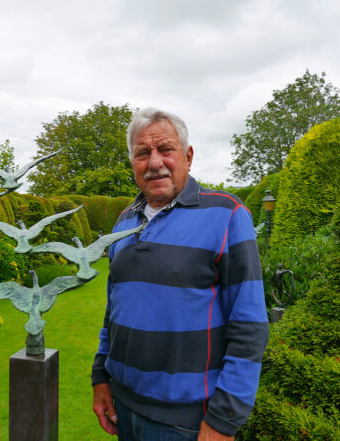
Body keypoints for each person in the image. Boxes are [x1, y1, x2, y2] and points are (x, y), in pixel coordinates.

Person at [91, 108, 269, 440]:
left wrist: (224, 420)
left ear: (187, 156)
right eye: (142, 153)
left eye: (165, 149)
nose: (154, 161)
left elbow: (250, 327)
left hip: (187, 422)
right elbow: (113, 310)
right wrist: (101, 376)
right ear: (133, 163)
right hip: (125, 408)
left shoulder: (227, 215)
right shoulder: (124, 222)